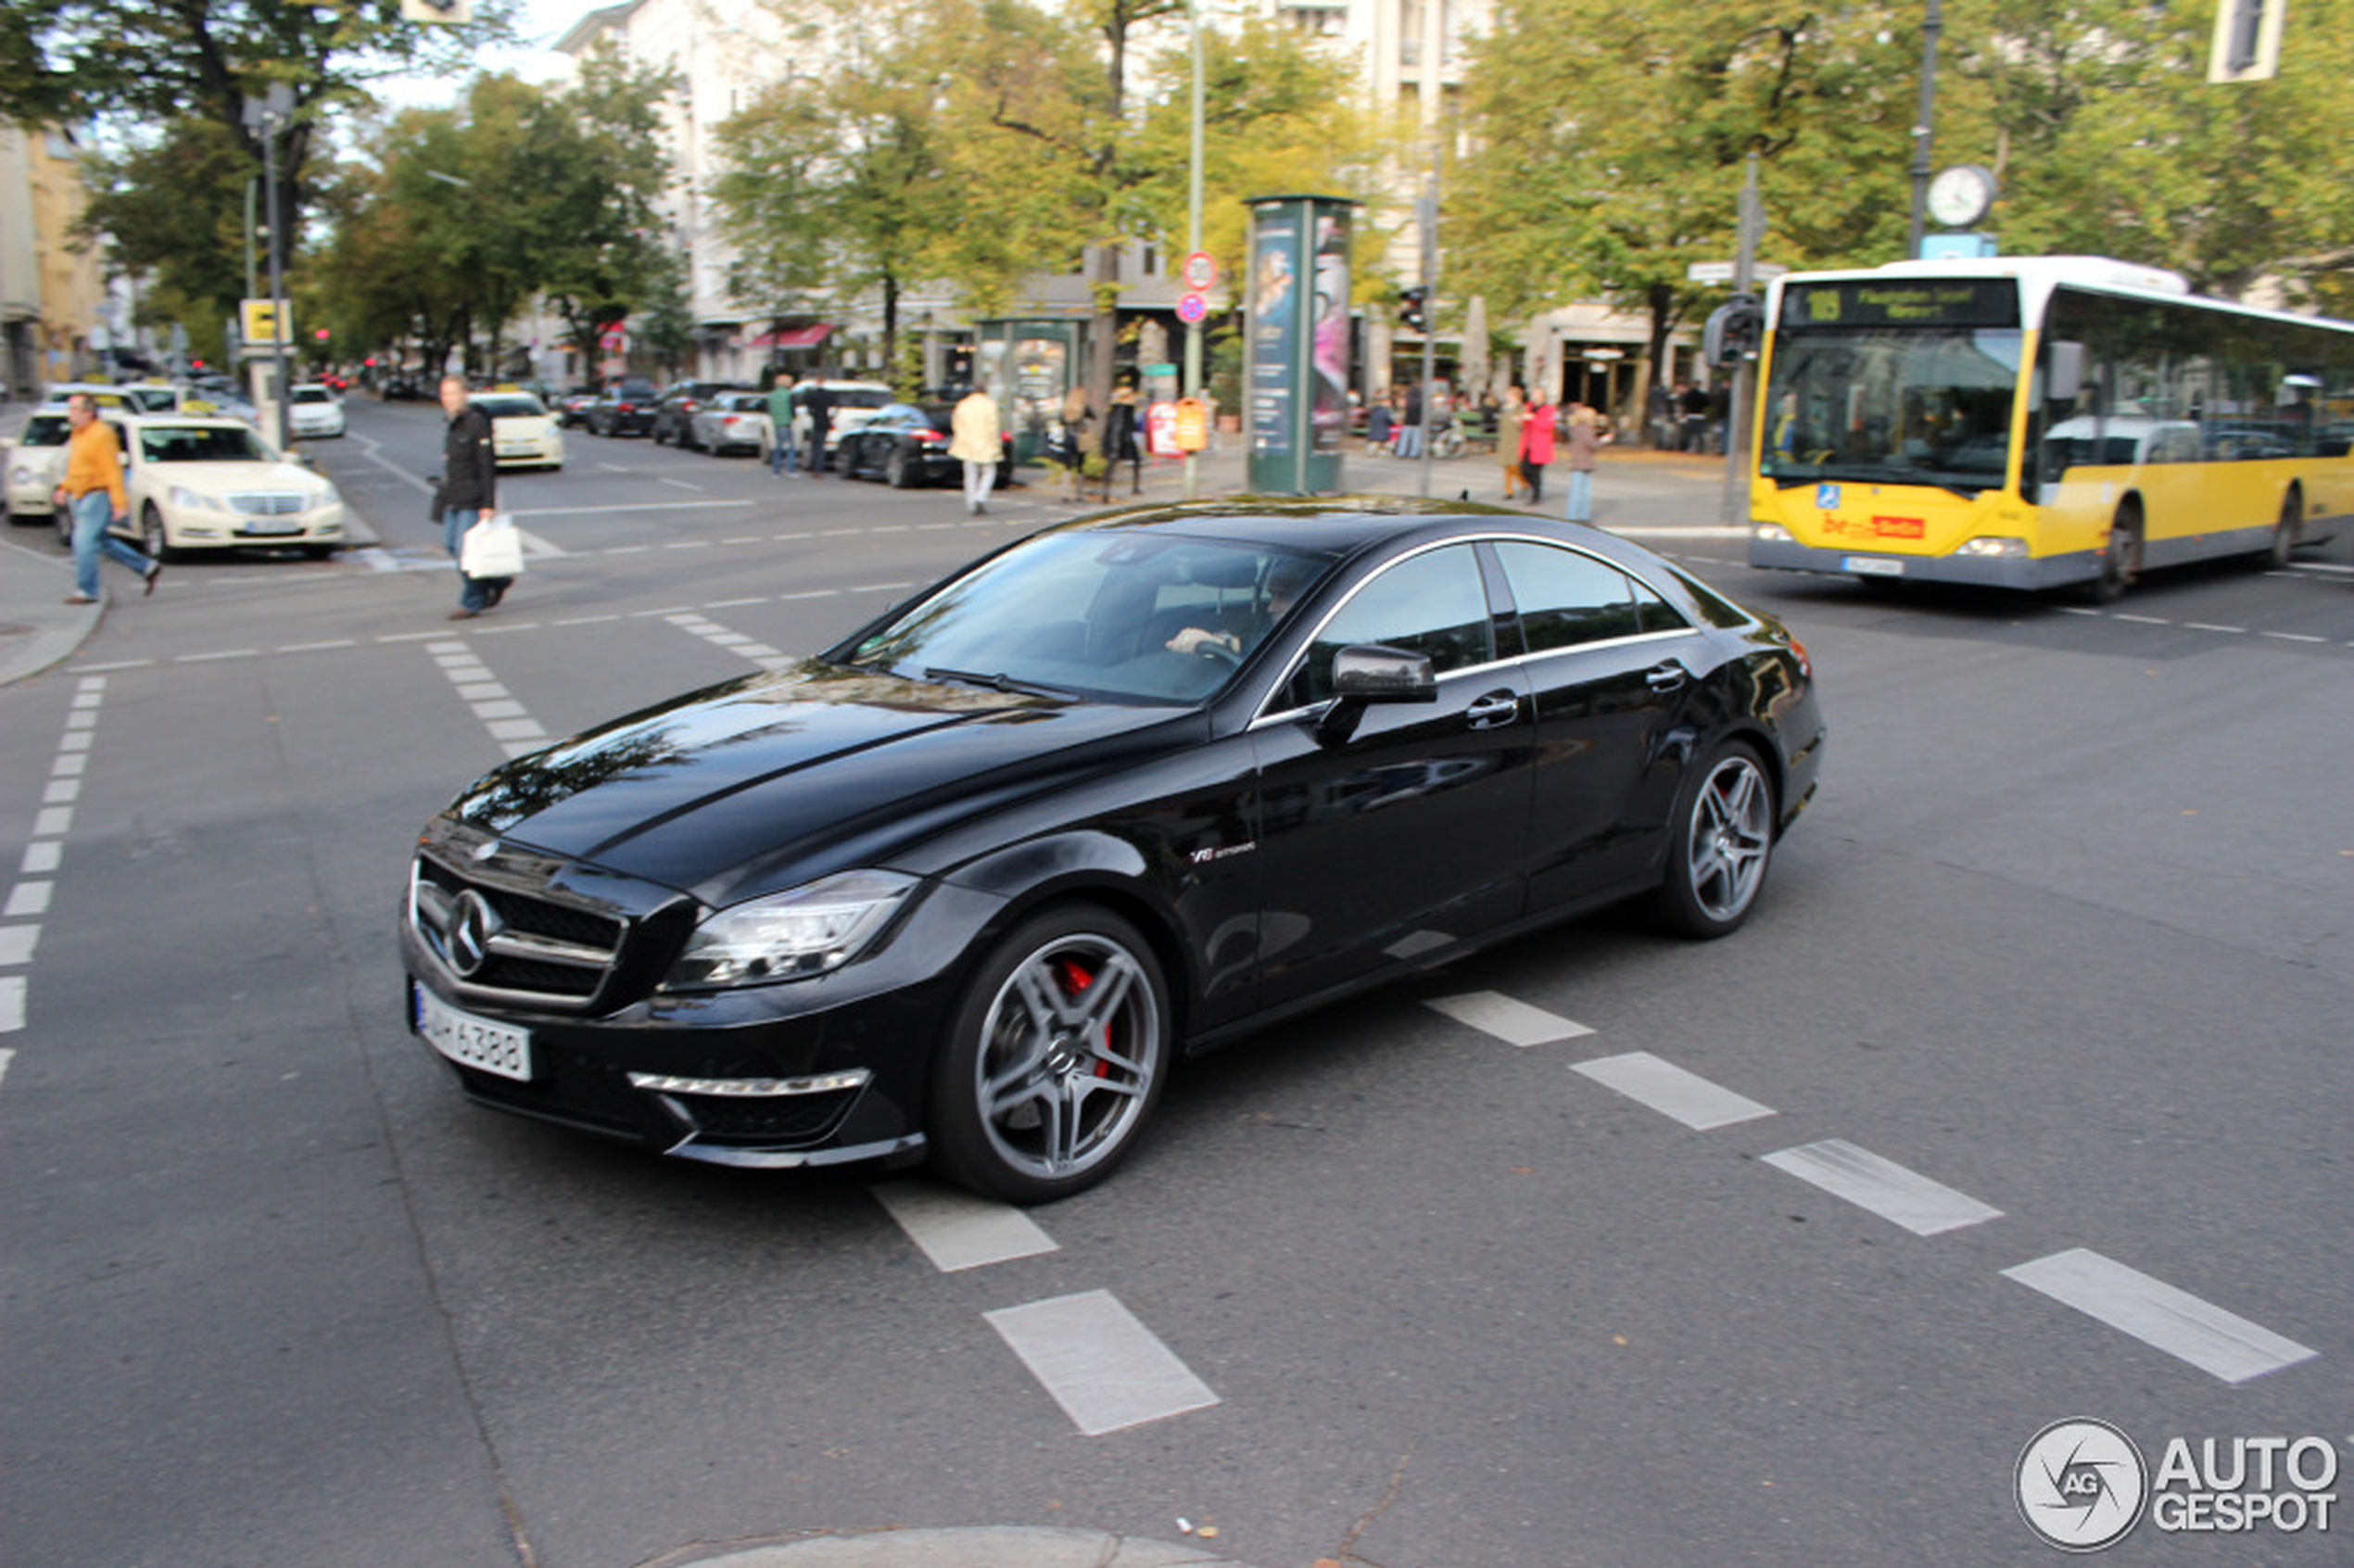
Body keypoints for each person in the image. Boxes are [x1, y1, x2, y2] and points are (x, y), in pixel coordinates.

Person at [54, 392, 160, 605]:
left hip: (96, 494)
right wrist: (64, 487)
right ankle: (146, 566)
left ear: (89, 412)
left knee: (82, 541)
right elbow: (76, 466)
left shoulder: (102, 434)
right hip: (79, 495)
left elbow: (112, 470)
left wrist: (120, 502)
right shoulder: (78, 433)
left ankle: (87, 591)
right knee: (100, 540)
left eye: (74, 409)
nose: (70, 414)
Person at [437, 373, 508, 620]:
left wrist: (488, 503)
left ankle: (472, 601)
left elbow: (487, 466)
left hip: (473, 498)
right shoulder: (452, 423)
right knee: (450, 545)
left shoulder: (476, 422)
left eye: (453, 393)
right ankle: (498, 579)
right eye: (444, 394)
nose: (448, 399)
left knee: (464, 551)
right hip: (453, 497)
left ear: (464, 394)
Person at [1165, 557, 1315, 659]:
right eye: (1272, 596)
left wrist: (1225, 644)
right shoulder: (1269, 629)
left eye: (1285, 596)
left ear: (1312, 599)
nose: (1271, 607)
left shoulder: (1326, 650)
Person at [948, 384, 1002, 514]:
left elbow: (956, 424)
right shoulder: (990, 405)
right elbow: (994, 426)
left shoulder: (963, 404)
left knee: (970, 474)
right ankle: (981, 497)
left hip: (967, 444)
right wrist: (997, 443)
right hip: (986, 443)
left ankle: (971, 503)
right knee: (989, 471)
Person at [1562, 400, 1610, 523]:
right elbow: (1593, 445)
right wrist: (1604, 440)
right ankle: (1580, 515)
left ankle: (1575, 514)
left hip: (1577, 460)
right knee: (1582, 491)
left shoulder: (1576, 428)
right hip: (1584, 461)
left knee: (1578, 489)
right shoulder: (1586, 429)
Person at [1101, 386, 1143, 498]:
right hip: (1124, 438)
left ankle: (1106, 491)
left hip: (1113, 438)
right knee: (1136, 461)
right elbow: (1128, 425)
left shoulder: (1113, 408)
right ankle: (1135, 487)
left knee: (1111, 465)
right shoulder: (1127, 408)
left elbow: (1110, 426)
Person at [1519, 389, 1557, 503]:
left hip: (1540, 445)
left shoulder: (1549, 410)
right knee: (1523, 469)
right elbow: (1525, 424)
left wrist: (1533, 418)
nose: (1533, 398)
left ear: (1542, 397)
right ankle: (1534, 488)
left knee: (1535, 471)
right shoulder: (1529, 407)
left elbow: (1547, 426)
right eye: (1533, 395)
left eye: (1536, 395)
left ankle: (1536, 493)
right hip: (1528, 444)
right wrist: (1521, 419)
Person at [1496, 386, 1526, 502]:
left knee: (1514, 465)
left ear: (1515, 396)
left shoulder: (1520, 408)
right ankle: (1508, 490)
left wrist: (1519, 422)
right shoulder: (1506, 408)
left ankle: (1524, 483)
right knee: (1506, 465)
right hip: (1505, 439)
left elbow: (1524, 425)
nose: (1507, 396)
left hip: (1515, 439)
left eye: (1509, 395)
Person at [766, 370, 798, 476]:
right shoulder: (789, 395)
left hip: (776, 423)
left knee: (778, 448)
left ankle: (776, 471)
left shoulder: (772, 395)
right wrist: (793, 418)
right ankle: (790, 470)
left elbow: (769, 409)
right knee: (789, 448)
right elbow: (793, 410)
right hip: (786, 424)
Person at [800, 377, 834, 474]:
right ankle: (820, 467)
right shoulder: (829, 394)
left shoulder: (810, 395)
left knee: (815, 446)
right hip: (824, 422)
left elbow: (805, 407)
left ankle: (815, 467)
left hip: (814, 422)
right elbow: (832, 410)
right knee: (821, 445)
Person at [1397, 381, 1424, 460]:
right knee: (1416, 438)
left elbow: (1401, 407)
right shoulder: (1421, 399)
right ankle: (1413, 453)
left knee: (1404, 438)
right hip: (1418, 421)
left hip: (1408, 420)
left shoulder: (1408, 399)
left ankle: (1401, 452)